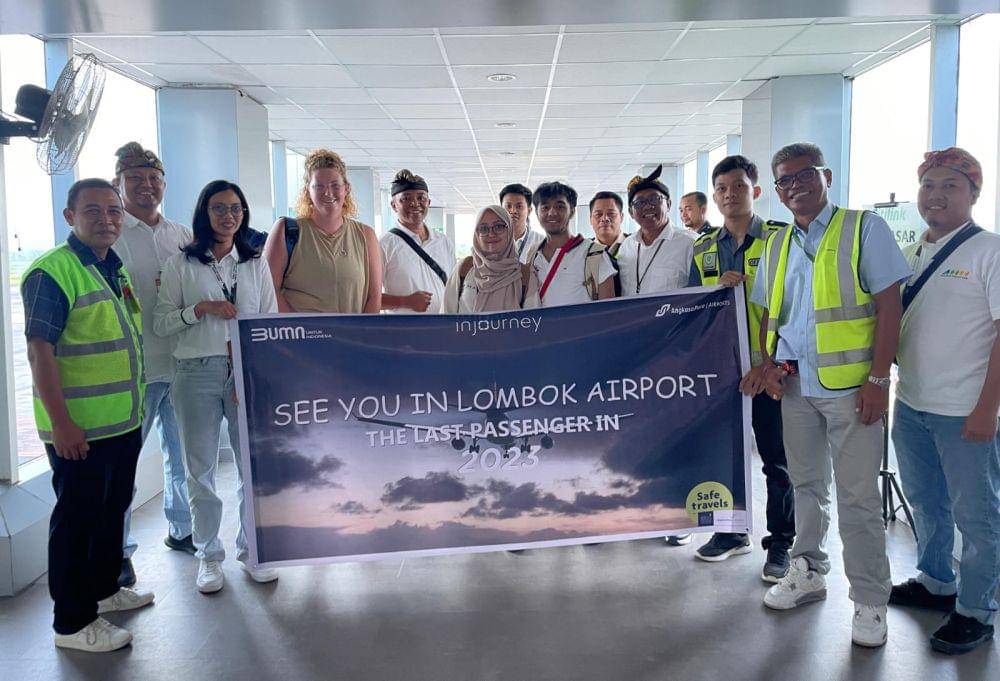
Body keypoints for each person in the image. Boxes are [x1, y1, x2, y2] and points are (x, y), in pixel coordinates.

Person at [748, 142, 910, 648]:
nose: (795, 186)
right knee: (807, 486)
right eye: (785, 181)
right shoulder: (776, 244)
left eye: (804, 176)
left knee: (858, 497)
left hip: (852, 391)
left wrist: (880, 380)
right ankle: (808, 570)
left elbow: (890, 307)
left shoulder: (863, 229)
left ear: (827, 176)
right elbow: (768, 316)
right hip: (795, 388)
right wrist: (769, 366)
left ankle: (868, 599)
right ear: (775, 191)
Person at [22, 178, 154, 652]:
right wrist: (61, 424)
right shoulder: (53, 272)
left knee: (109, 513)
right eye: (93, 211)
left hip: (120, 422)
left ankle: (103, 592)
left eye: (114, 211)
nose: (107, 220)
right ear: (69, 217)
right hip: (79, 428)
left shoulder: (110, 267)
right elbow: (40, 351)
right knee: (77, 522)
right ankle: (72, 624)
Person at [889, 147, 999, 655]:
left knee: (977, 516)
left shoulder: (988, 251)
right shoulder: (915, 252)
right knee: (928, 502)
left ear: (974, 193)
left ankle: (977, 610)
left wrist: (986, 409)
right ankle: (936, 582)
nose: (936, 195)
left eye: (950, 186)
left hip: (964, 411)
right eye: (928, 185)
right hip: (911, 403)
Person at [154, 180, 279, 594]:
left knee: (251, 466)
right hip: (196, 372)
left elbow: (267, 321)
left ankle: (253, 551)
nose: (229, 216)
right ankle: (208, 556)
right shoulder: (181, 265)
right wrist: (200, 309)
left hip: (244, 370)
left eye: (236, 209)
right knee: (200, 469)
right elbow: (161, 322)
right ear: (204, 213)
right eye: (219, 209)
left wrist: (254, 371)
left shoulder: (253, 262)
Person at [687, 155, 795, 580]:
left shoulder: (779, 239)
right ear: (714, 197)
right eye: (722, 188)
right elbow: (691, 307)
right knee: (726, 456)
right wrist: (715, 288)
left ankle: (781, 542)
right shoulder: (703, 247)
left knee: (776, 460)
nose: (730, 194)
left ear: (756, 191)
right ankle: (731, 533)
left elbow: (791, 305)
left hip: (770, 370)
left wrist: (770, 364)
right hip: (722, 372)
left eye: (738, 185)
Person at [112, 142, 195, 590]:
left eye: (154, 179)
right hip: (134, 372)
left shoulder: (182, 235)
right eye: (136, 180)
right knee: (124, 466)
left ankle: (182, 529)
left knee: (183, 458)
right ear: (119, 184)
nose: (147, 187)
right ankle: (119, 551)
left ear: (164, 184)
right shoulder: (112, 234)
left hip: (181, 364)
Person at [264, 149, 382, 313]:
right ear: (308, 190)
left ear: (346, 188)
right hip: (302, 335)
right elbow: (269, 290)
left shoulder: (365, 235)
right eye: (319, 186)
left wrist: (362, 334)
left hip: (351, 336)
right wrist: (302, 331)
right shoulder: (287, 231)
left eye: (335, 185)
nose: (328, 192)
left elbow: (374, 297)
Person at [529, 181, 616, 307]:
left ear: (572, 211)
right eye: (545, 207)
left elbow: (609, 310)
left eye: (560, 207)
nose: (552, 213)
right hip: (541, 326)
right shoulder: (532, 254)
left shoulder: (593, 253)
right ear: (537, 213)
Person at [380, 169, 455, 313]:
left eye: (421, 198)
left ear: (429, 202)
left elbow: (454, 287)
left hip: (442, 330)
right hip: (405, 333)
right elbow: (368, 299)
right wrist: (405, 302)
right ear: (394, 205)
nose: (415, 203)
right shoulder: (385, 245)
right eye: (406, 198)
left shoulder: (443, 242)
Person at [441, 205, 539, 313]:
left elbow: (534, 323)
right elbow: (446, 315)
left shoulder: (525, 275)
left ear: (509, 230)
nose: (491, 234)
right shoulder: (465, 268)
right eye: (483, 229)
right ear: (477, 235)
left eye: (498, 227)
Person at [617, 165, 694, 298]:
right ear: (631, 212)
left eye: (654, 199)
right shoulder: (626, 247)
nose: (647, 206)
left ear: (668, 204)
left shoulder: (691, 243)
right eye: (639, 203)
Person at [500, 183, 545, 264]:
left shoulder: (541, 242)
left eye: (519, 206)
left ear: (529, 210)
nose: (513, 211)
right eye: (508, 206)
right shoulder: (492, 240)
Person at [589, 191, 628, 257]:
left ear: (621, 217)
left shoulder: (636, 245)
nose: (604, 218)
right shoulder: (583, 250)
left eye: (611, 214)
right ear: (590, 219)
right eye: (598, 214)